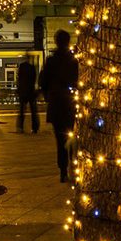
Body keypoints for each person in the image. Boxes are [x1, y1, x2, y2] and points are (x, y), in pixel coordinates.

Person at [39, 30, 78, 182]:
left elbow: (43, 81)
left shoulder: (51, 61)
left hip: (56, 105)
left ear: (56, 42)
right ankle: (73, 165)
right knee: (72, 136)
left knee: (60, 139)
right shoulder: (73, 61)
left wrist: (48, 95)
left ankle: (63, 170)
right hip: (70, 103)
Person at [15, 60, 39, 134]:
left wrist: (19, 89)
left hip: (23, 91)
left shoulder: (22, 68)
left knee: (22, 110)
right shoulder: (32, 68)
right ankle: (34, 128)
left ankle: (20, 127)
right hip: (30, 91)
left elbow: (19, 79)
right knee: (33, 111)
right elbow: (34, 79)